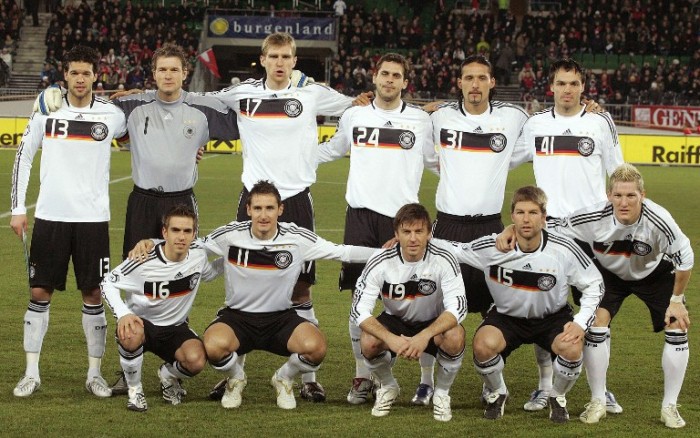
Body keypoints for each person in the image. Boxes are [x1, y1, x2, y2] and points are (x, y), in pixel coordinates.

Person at [206, 32, 370, 402]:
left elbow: (355, 105)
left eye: (286, 56)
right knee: (244, 284)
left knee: (301, 288)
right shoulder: (241, 92)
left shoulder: (312, 93)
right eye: (273, 56)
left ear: (294, 61)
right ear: (262, 59)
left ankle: (307, 376)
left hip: (295, 199)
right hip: (253, 198)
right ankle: (235, 373)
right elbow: (196, 102)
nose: (280, 62)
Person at [316, 52, 438, 406]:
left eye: (396, 75)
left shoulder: (419, 120)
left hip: (401, 220)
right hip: (360, 218)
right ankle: (364, 376)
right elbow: (334, 150)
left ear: (405, 81)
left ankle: (426, 380)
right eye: (384, 73)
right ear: (375, 77)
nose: (389, 80)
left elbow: (435, 162)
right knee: (361, 297)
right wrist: (290, 154)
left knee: (418, 298)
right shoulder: (355, 114)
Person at [532, 164, 692, 428]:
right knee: (597, 324)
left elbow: (685, 258)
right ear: (609, 195)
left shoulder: (660, 220)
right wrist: (512, 231)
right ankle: (598, 401)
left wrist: (676, 301)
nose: (624, 202)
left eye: (631, 196)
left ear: (643, 194)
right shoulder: (592, 216)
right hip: (608, 274)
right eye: (618, 195)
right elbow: (553, 227)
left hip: (653, 273)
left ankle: (670, 406)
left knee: (677, 326)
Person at [10, 45, 128, 398]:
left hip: (93, 219)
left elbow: (142, 138)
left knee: (94, 293)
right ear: (65, 75)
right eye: (74, 72)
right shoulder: (47, 108)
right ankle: (31, 372)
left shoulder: (112, 115)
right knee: (39, 291)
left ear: (96, 76)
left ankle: (94, 374)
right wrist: (18, 207)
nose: (80, 78)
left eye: (86, 73)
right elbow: (24, 155)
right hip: (50, 216)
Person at [200, 180, 377, 409]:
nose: (263, 215)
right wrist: (149, 245)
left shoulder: (297, 238)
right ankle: (236, 378)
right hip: (237, 317)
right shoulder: (231, 235)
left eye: (270, 208)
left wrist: (389, 251)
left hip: (280, 318)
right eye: (258, 208)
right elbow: (191, 246)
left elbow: (342, 252)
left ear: (280, 209)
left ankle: (283, 378)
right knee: (213, 345)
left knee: (316, 348)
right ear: (248, 210)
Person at [510, 57, 624, 413]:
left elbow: (618, 172)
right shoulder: (536, 124)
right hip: (551, 229)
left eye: (574, 84)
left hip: (592, 232)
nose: (567, 90)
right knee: (546, 306)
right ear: (552, 87)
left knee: (597, 311)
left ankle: (599, 390)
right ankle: (544, 386)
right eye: (561, 83)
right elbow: (504, 159)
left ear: (583, 88)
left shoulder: (600, 121)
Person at [456, 186, 604, 423]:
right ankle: (498, 392)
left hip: (552, 317)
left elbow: (595, 284)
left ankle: (557, 396)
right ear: (512, 216)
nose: (526, 219)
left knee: (573, 347)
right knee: (483, 345)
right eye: (521, 212)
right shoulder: (492, 247)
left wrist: (580, 323)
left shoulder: (563, 249)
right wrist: (421, 240)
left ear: (544, 217)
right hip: (507, 317)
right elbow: (455, 251)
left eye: (533, 212)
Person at [350, 203, 467, 421]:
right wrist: (390, 339)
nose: (413, 238)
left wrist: (424, 336)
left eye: (418, 231)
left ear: (429, 233)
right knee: (368, 341)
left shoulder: (444, 257)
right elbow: (359, 310)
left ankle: (441, 394)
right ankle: (388, 386)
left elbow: (458, 308)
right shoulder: (380, 260)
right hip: (395, 320)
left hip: (433, 320)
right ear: (396, 234)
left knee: (455, 335)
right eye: (406, 232)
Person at [100, 205, 223, 412]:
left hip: (175, 327)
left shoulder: (198, 256)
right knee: (130, 333)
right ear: (165, 232)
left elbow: (209, 273)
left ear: (194, 233)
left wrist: (233, 260)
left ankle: (167, 376)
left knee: (196, 361)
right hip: (142, 325)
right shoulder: (142, 259)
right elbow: (107, 282)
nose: (181, 237)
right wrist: (123, 314)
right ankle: (134, 390)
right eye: (175, 230)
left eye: (187, 231)